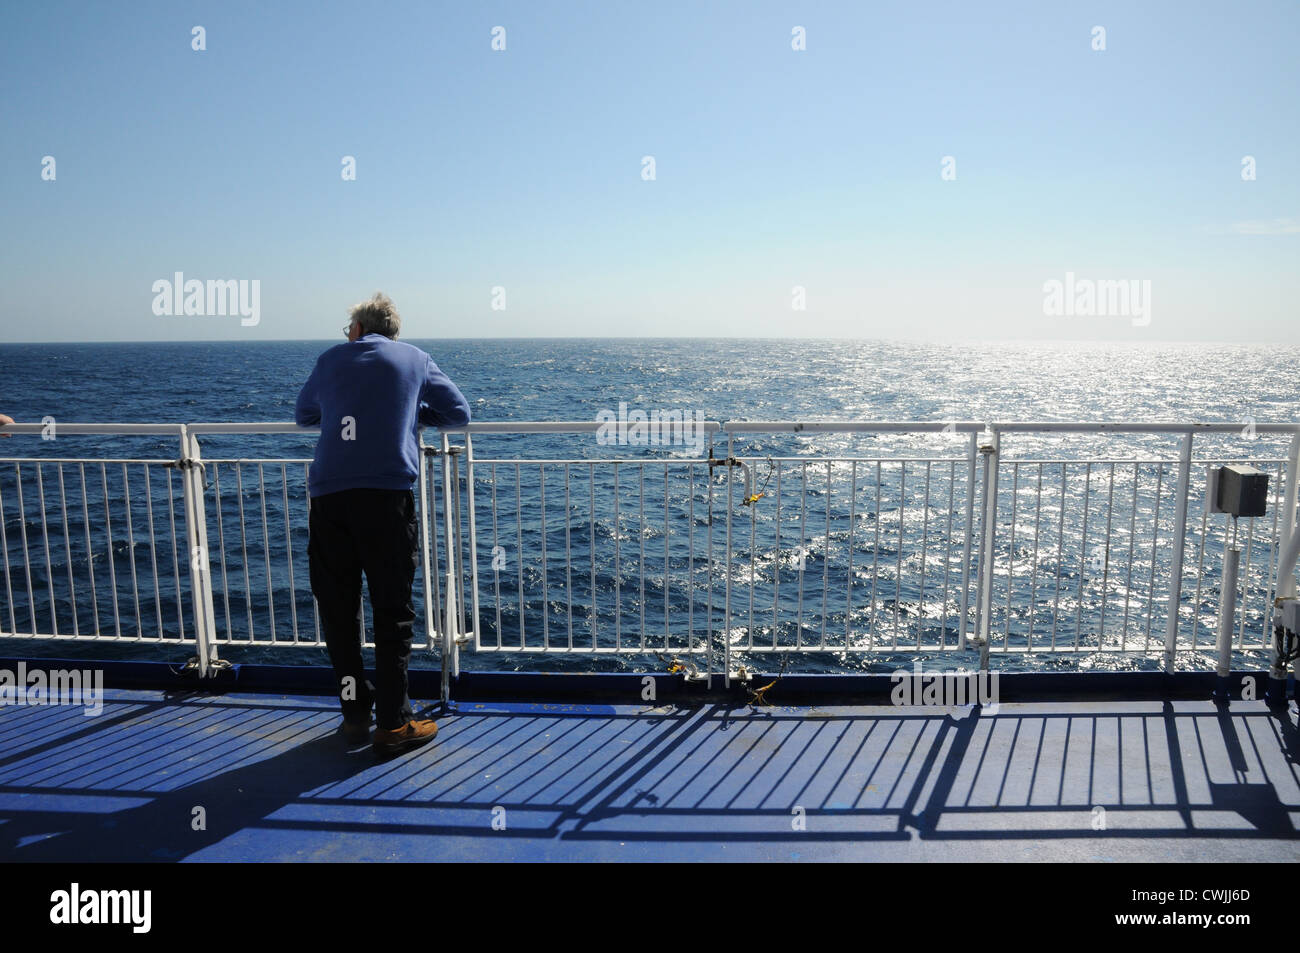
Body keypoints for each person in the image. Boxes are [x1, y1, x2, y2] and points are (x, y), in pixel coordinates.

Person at [295, 293, 470, 756]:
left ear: (356, 329)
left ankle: (355, 716)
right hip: (387, 501)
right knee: (392, 613)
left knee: (339, 610)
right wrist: (410, 415)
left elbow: (303, 414)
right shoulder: (415, 359)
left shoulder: (331, 359)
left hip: (330, 500)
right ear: (392, 331)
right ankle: (393, 723)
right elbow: (459, 414)